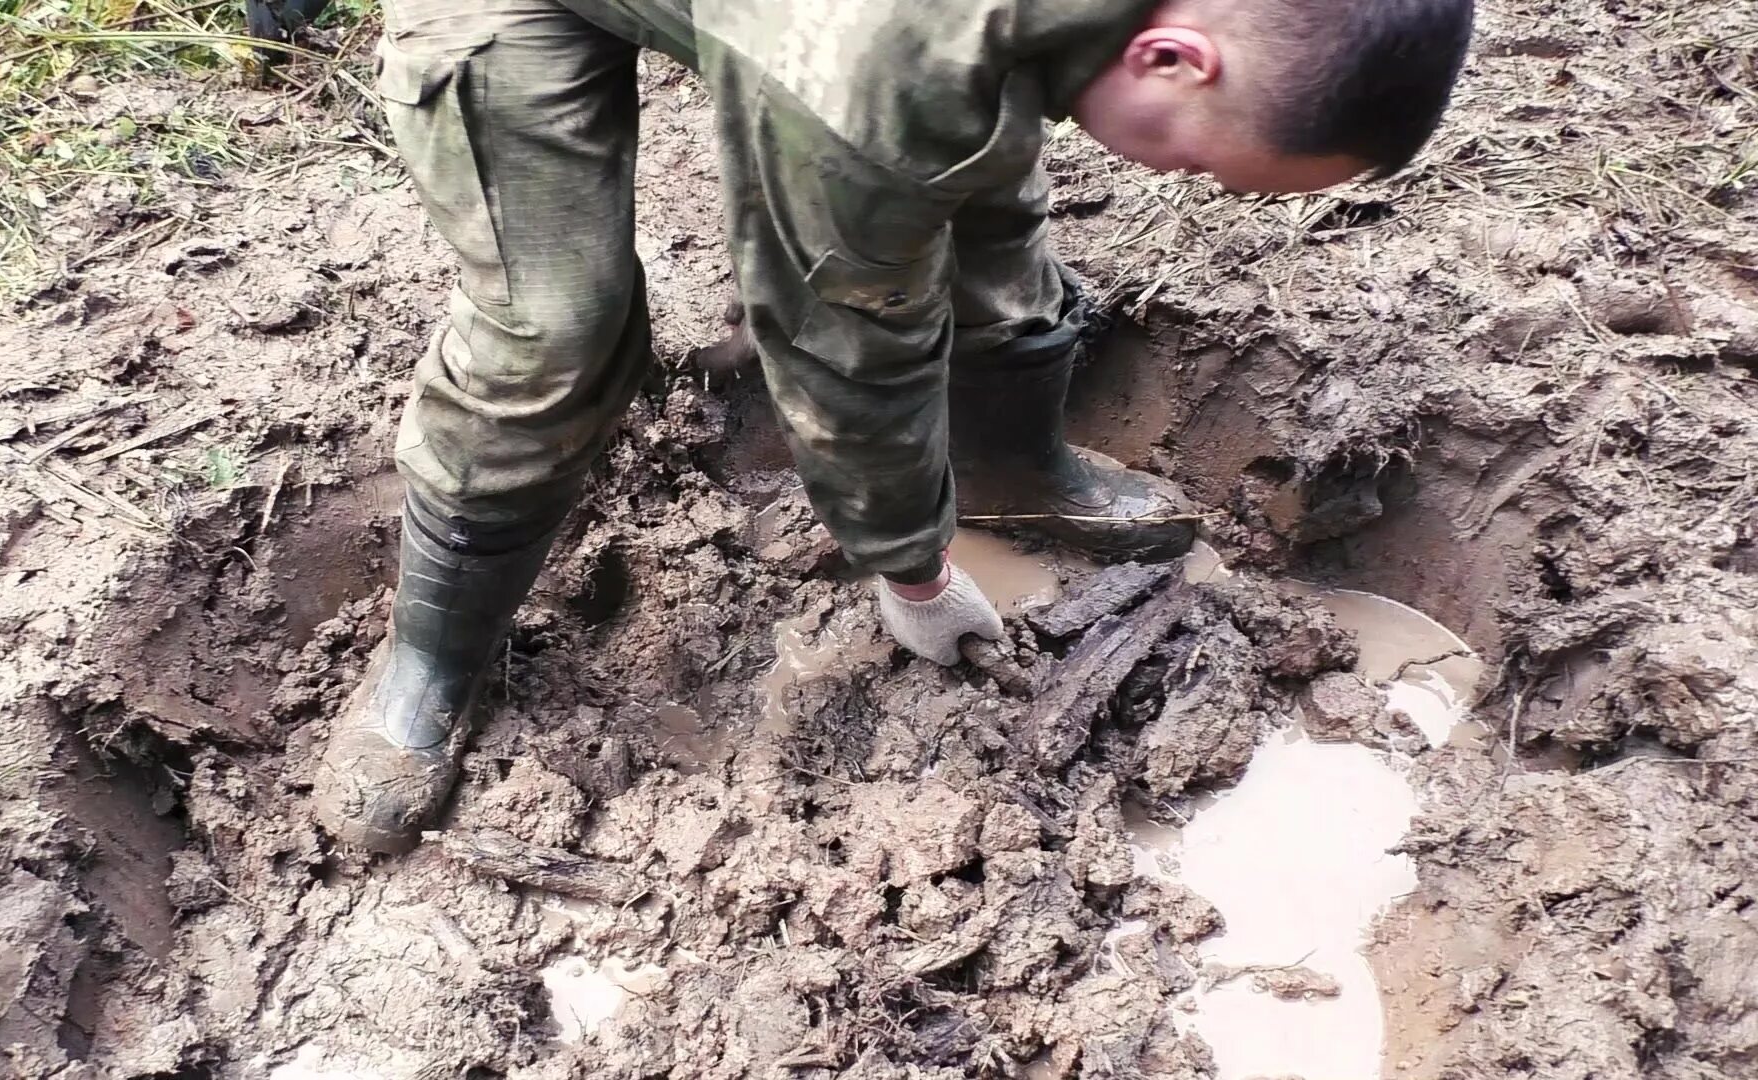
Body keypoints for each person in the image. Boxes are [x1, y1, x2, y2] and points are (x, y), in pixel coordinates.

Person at [312, 0, 1476, 852]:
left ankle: (1012, 472)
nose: (1183, 180)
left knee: (983, 191)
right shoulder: (882, 61)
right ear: (1170, 54)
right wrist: (913, 573)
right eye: (1194, 160)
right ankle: (430, 659)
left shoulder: (1012, 47)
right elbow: (840, 346)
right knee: (554, 333)